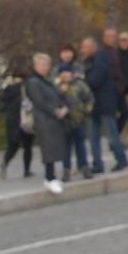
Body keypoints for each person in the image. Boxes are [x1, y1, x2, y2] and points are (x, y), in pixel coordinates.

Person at [23, 53, 71, 195]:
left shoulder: (47, 80)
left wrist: (63, 107)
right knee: (48, 148)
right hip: (44, 119)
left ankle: (53, 177)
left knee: (55, 147)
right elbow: (39, 101)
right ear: (36, 65)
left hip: (53, 119)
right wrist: (55, 111)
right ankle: (49, 177)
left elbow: (56, 96)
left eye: (47, 64)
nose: (45, 67)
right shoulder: (33, 82)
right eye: (42, 64)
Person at [81, 36, 128, 174]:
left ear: (92, 47)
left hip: (104, 104)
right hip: (93, 106)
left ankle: (121, 159)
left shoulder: (100, 60)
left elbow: (95, 80)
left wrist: (83, 80)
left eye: (85, 47)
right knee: (93, 137)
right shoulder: (87, 62)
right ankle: (97, 164)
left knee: (112, 135)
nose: (82, 50)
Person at [55, 42, 89, 178]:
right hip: (65, 120)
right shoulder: (57, 88)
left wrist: (86, 111)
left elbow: (88, 98)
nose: (65, 76)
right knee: (66, 146)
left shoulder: (78, 84)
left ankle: (84, 166)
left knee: (80, 144)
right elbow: (53, 101)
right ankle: (66, 169)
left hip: (78, 118)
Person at [0, 67, 34, 181]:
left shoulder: (8, 89)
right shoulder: (27, 88)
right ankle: (27, 170)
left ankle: (5, 161)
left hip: (12, 120)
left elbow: (3, 104)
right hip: (26, 119)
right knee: (27, 146)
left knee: (13, 145)